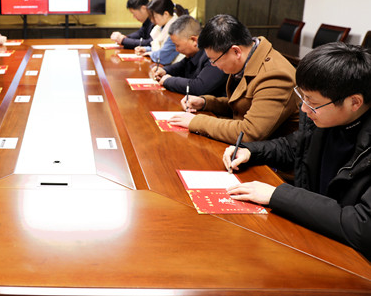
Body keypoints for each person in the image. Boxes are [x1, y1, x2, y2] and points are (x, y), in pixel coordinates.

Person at [223, 42, 371, 259]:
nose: (303, 108)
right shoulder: (325, 119)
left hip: (350, 259)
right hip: (311, 234)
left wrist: (277, 195)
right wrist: (250, 151)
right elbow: (294, 147)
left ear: (354, 102)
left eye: (312, 102)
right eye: (303, 97)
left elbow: (362, 225)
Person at [169, 14, 300, 143]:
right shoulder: (249, 58)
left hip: (268, 153)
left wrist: (196, 121)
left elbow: (249, 132)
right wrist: (205, 102)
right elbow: (242, 105)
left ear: (236, 51)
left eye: (214, 60)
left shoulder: (275, 76)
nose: (213, 65)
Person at [149, 15, 227, 97]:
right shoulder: (193, 54)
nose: (176, 49)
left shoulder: (214, 54)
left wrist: (168, 81)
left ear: (194, 40)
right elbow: (181, 66)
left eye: (177, 45)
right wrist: (164, 70)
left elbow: (199, 87)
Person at [134, 0, 185, 65]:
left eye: (154, 17)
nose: (152, 20)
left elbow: (163, 57)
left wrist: (151, 53)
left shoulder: (176, 30)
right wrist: (146, 49)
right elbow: (161, 48)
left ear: (166, 14)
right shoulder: (162, 26)